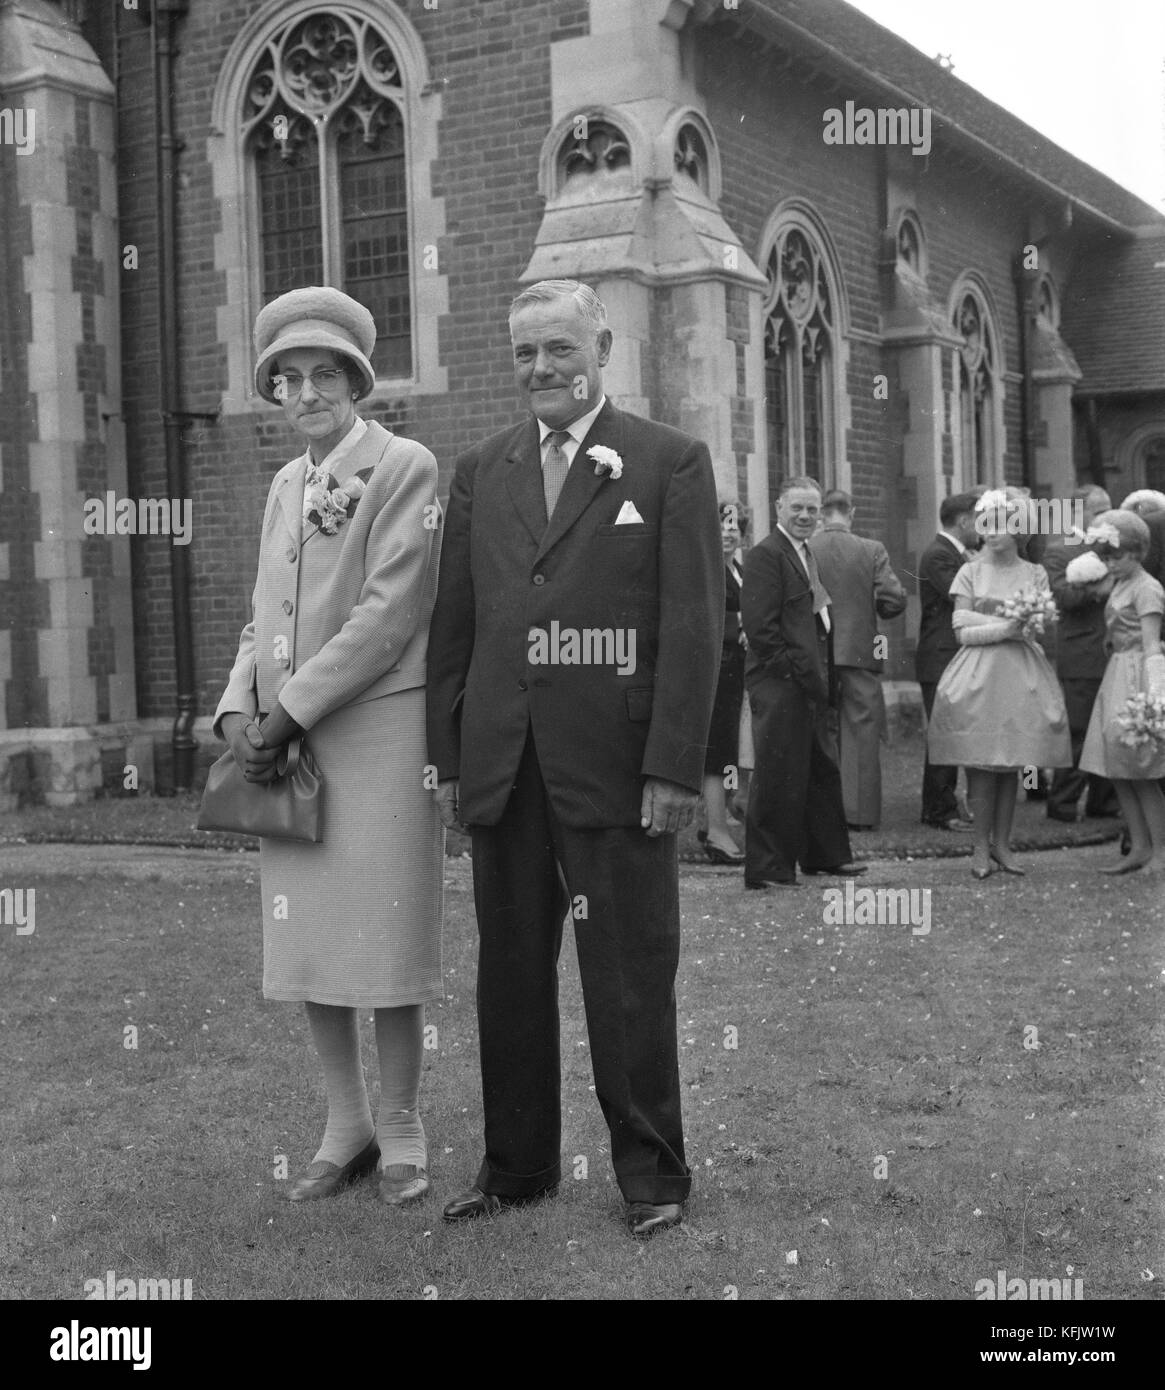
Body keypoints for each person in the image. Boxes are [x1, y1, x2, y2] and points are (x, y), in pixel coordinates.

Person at [424, 279, 723, 1240]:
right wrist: (448, 761)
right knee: (507, 972)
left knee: (628, 972)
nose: (541, 369)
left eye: (559, 348)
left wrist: (677, 765)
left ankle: (652, 1178)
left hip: (617, 766)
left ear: (601, 347)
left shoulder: (666, 462)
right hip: (501, 764)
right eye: (524, 354)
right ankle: (516, 1168)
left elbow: (694, 624)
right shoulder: (480, 468)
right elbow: (455, 626)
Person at [213, 287, 443, 1208]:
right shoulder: (284, 485)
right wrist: (238, 708)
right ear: (275, 392)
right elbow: (264, 614)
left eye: (324, 375)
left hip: (379, 731)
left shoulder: (404, 466)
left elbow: (390, 616)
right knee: (308, 937)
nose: (307, 392)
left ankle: (400, 1129)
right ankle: (342, 1125)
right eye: (289, 378)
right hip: (284, 742)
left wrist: (290, 710)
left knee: (382, 935)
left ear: (355, 382)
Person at [926, 488, 1071, 878]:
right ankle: (978, 849)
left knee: (1012, 764)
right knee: (980, 763)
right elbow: (960, 627)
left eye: (1000, 525)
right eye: (985, 524)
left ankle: (1003, 845)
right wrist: (1009, 626)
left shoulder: (1035, 573)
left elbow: (1036, 629)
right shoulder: (970, 570)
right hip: (978, 674)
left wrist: (999, 624)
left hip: (1021, 675)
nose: (990, 532)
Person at [741, 476, 867, 888]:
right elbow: (761, 631)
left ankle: (825, 856)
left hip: (808, 682)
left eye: (812, 509)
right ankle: (768, 869)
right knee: (778, 773)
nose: (805, 516)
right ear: (779, 507)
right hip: (781, 684)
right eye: (797, 507)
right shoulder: (766, 555)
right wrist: (794, 673)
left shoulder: (804, 552)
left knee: (819, 769)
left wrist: (815, 678)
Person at [809, 489, 907, 830]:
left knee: (817, 730)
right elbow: (892, 599)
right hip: (860, 650)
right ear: (851, 513)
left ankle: (820, 812)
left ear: (822, 513)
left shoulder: (807, 548)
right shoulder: (872, 549)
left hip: (815, 651)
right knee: (862, 731)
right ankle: (860, 814)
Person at [1078, 509, 1165, 872]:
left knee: (1141, 769)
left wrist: (1156, 694)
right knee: (1118, 767)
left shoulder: (1147, 588)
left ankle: (1159, 851)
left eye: (1116, 556)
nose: (1110, 564)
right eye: (1105, 557)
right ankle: (1139, 846)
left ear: (1137, 552)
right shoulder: (1120, 583)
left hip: (1138, 676)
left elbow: (1152, 644)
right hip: (1116, 673)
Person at [1041, 485, 1119, 822]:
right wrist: (1100, 588)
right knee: (1079, 730)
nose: (1104, 516)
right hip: (1082, 652)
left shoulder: (1117, 547)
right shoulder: (1060, 551)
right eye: (1097, 510)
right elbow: (1063, 599)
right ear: (1078, 513)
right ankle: (1062, 803)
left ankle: (1105, 802)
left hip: (1115, 650)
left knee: (1111, 730)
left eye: (1107, 509)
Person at [915, 491, 980, 831]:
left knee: (952, 730)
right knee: (944, 732)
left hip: (949, 658)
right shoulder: (939, 555)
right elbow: (962, 597)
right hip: (939, 658)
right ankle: (940, 810)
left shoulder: (954, 554)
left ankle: (944, 806)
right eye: (978, 521)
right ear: (964, 521)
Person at [699, 500, 748, 864]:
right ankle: (716, 833)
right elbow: (704, 618)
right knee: (716, 751)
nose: (730, 531)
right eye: (723, 524)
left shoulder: (740, 571)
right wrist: (744, 627)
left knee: (730, 748)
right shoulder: (706, 569)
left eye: (736, 525)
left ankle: (716, 821)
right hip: (715, 668)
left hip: (737, 671)